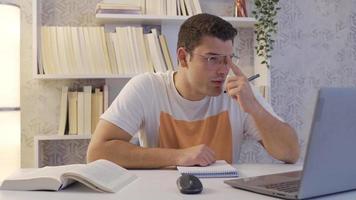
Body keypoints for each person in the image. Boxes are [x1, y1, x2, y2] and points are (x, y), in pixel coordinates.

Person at [87, 13, 300, 168]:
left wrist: (255, 108)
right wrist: (178, 156)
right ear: (183, 57)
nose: (223, 70)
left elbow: (290, 153)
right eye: (212, 59)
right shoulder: (147, 87)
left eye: (228, 60)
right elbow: (98, 153)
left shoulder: (241, 93)